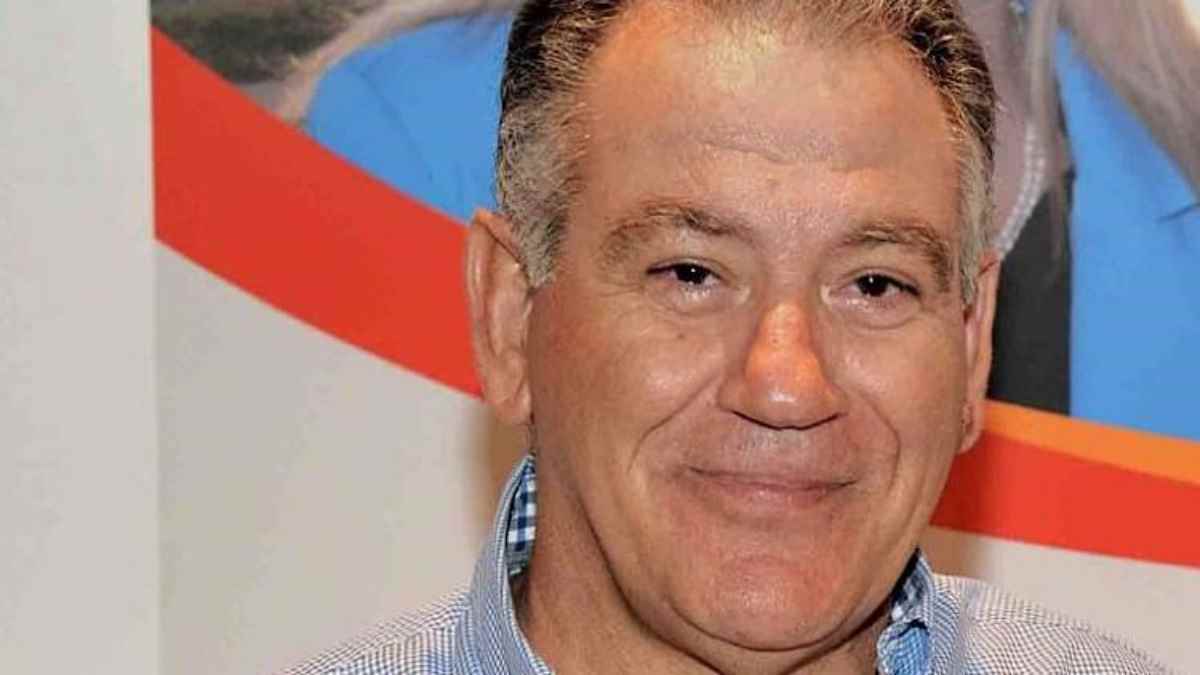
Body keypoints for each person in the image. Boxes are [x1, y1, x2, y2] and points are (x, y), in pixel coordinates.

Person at [286, 1, 1166, 673]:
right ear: (510, 316)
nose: (787, 383)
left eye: (874, 284)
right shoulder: (388, 111)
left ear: (972, 345)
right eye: (691, 274)